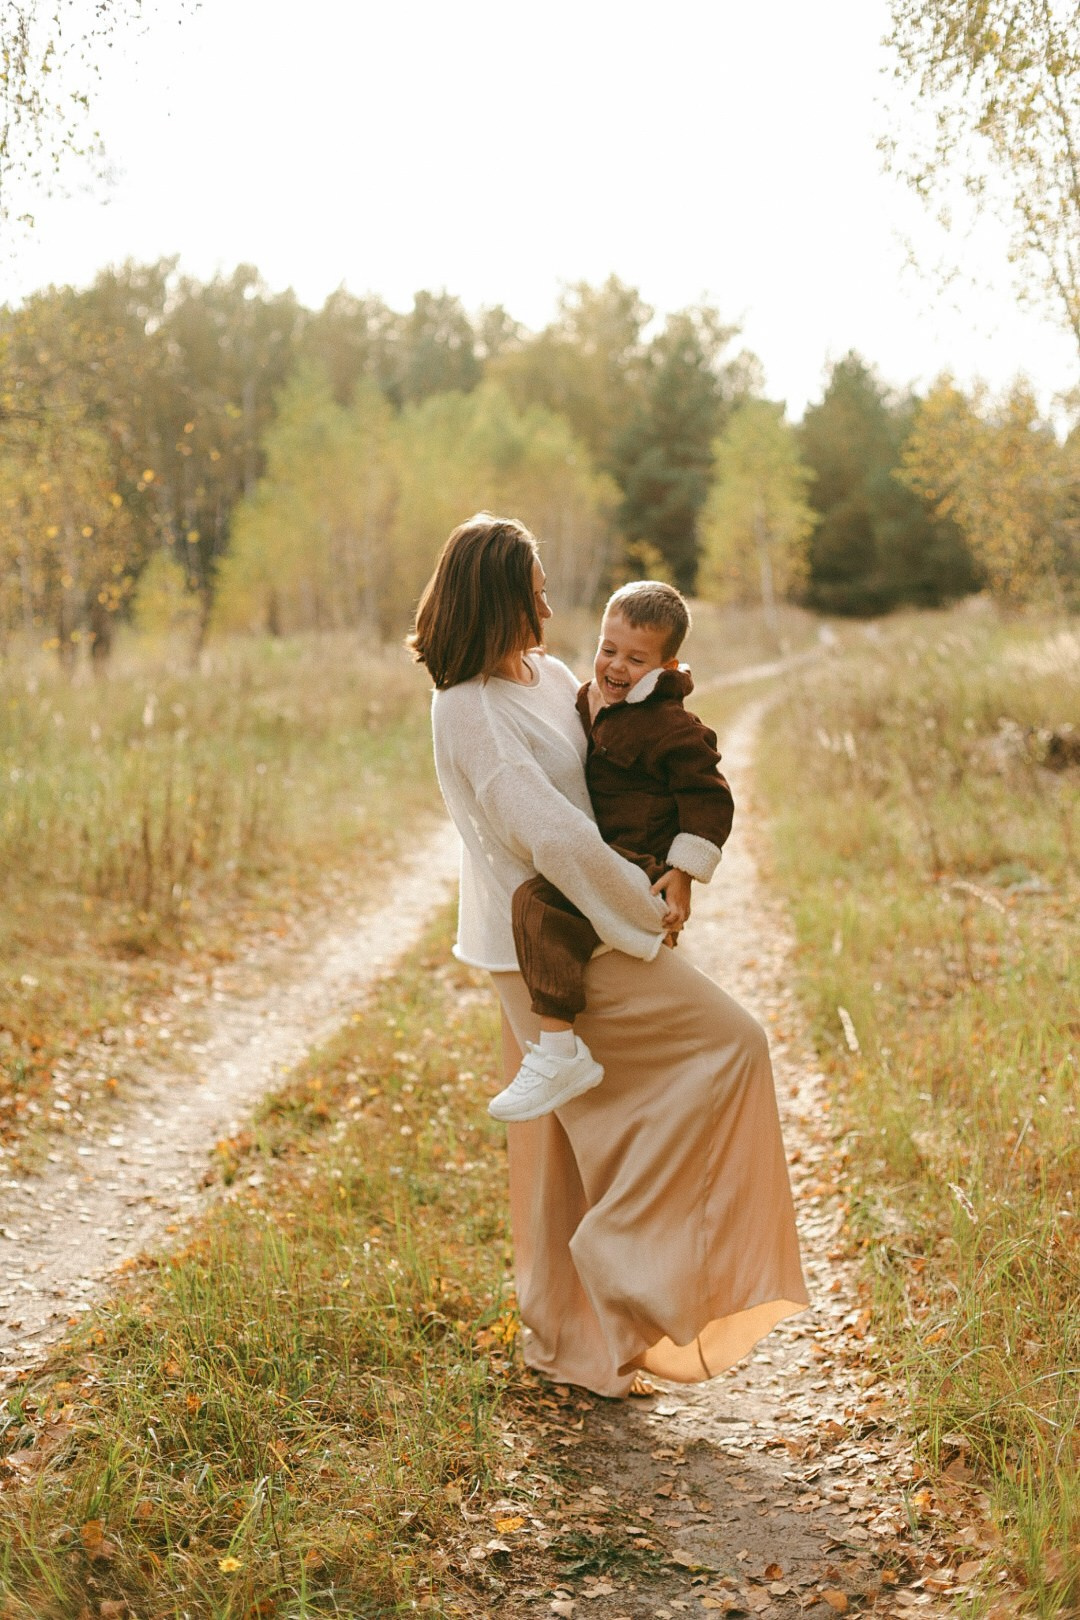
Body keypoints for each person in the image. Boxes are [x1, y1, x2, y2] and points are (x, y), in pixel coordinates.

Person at [410, 512, 807, 1399]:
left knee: (566, 1134)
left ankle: (576, 1348)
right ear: (500, 597)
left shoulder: (547, 675)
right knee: (728, 1044)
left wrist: (676, 858)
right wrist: (641, 906)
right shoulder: (469, 706)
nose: (551, 600)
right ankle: (617, 1273)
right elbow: (546, 830)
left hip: (580, 920)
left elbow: (629, 753)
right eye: (536, 587)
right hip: (545, 935)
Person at [488, 579, 734, 1122]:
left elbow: (709, 799)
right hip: (604, 848)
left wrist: (683, 872)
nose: (616, 667)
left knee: (539, 905)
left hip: (640, 857)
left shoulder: (672, 727)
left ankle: (558, 1049)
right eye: (608, 650)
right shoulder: (592, 698)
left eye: (636, 659)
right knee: (554, 915)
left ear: (669, 665)